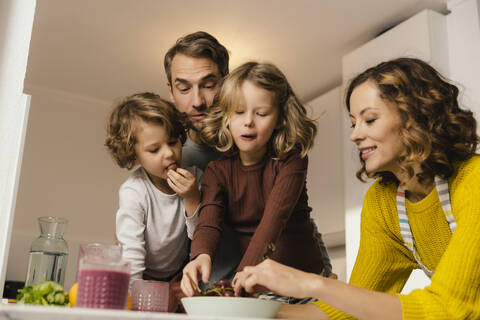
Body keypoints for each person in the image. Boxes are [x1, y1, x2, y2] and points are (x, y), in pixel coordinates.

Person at [233, 57, 480, 320]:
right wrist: (254, 311)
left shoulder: (473, 181)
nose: (355, 135)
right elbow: (349, 311)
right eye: (354, 123)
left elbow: (449, 309)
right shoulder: (384, 202)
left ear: (417, 116)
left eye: (370, 119)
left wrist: (309, 283)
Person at [164, 31, 335, 280]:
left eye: (209, 85)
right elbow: (197, 224)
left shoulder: (281, 155)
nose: (198, 101)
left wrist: (324, 277)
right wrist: (201, 257)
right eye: (183, 88)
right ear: (171, 91)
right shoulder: (177, 158)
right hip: (225, 286)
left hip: (276, 278)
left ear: (226, 84)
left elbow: (286, 215)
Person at [104, 92, 202, 286]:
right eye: (154, 150)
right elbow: (131, 251)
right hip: (140, 273)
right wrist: (133, 293)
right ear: (133, 156)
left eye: (173, 142)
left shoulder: (195, 177)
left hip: (178, 275)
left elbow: (199, 237)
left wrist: (192, 197)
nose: (169, 153)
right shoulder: (134, 191)